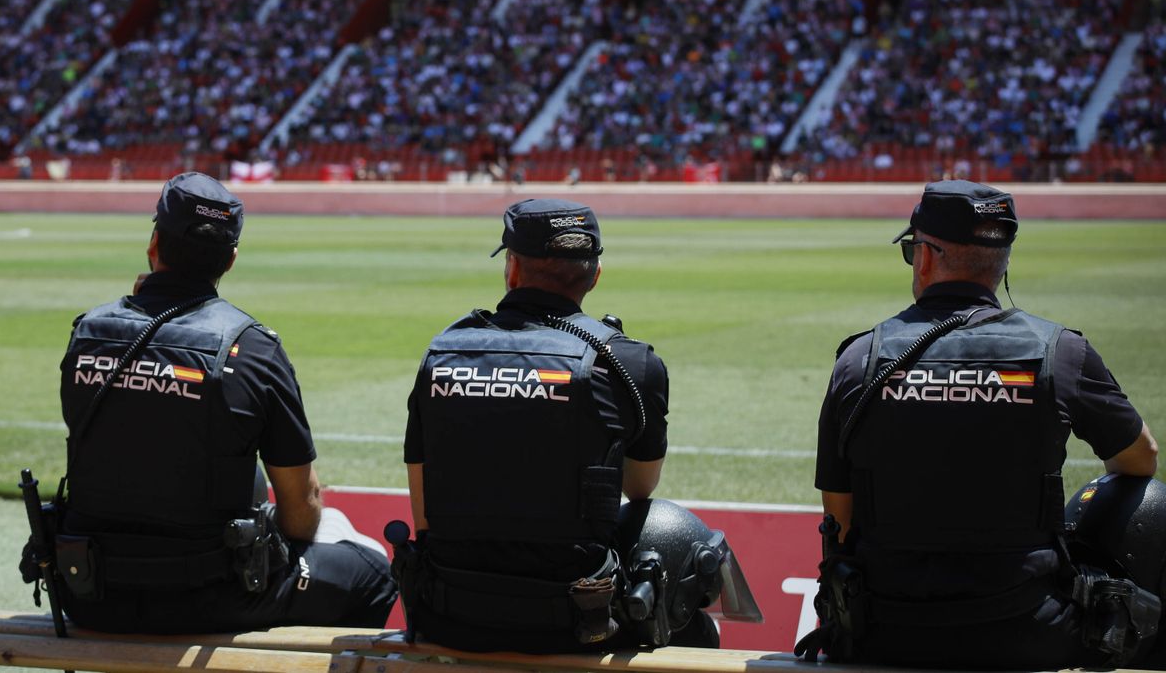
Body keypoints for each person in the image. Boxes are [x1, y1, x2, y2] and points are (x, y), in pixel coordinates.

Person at [803, 180, 1161, 669]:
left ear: (926, 256)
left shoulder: (859, 359)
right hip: (1028, 632)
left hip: (885, 633)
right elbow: (1141, 458)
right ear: (1003, 261)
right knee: (1152, 505)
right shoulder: (1063, 351)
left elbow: (839, 519)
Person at [40, 171, 396, 633]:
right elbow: (303, 508)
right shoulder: (253, 347)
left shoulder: (87, 332)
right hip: (208, 600)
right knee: (373, 574)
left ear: (153, 243)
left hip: (88, 591)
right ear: (230, 260)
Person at [395, 198, 755, 653]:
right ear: (595, 275)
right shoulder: (630, 362)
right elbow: (640, 487)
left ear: (511, 268)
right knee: (670, 546)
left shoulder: (442, 355)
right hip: (574, 625)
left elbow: (423, 513)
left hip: (450, 614)